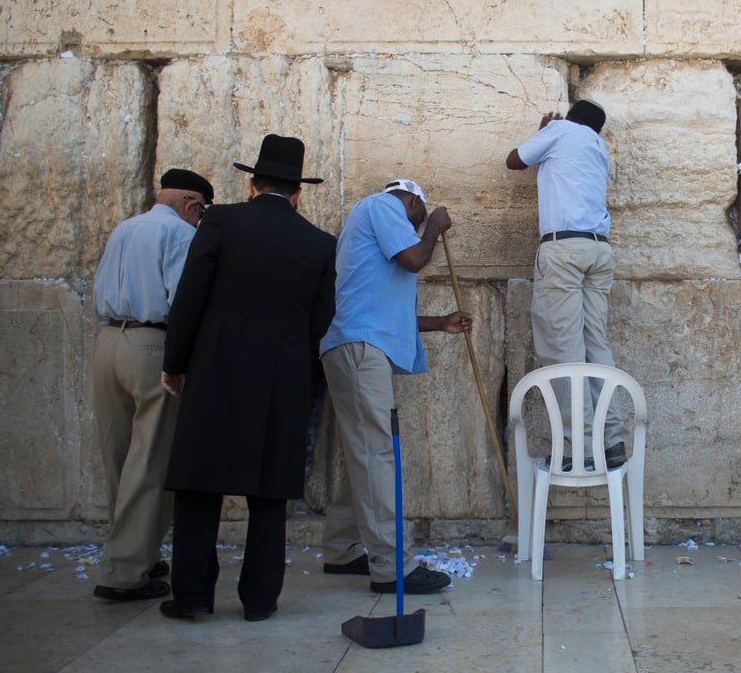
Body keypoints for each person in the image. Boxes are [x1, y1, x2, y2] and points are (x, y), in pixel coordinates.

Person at [158, 134, 337, 622]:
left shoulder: (221, 221)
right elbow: (321, 323)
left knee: (199, 484)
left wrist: (176, 362)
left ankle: (193, 596)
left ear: (253, 183)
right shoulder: (319, 244)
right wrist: (304, 380)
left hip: (217, 368)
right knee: (268, 492)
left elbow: (190, 297)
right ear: (298, 191)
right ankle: (260, 600)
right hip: (282, 377)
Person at [318, 179, 472, 595]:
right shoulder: (384, 206)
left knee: (366, 451)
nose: (420, 222)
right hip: (359, 349)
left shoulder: (373, 222)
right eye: (421, 212)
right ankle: (391, 568)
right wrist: (434, 227)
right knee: (376, 453)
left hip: (358, 345)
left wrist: (440, 323)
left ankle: (341, 549)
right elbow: (414, 259)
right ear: (413, 200)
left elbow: (385, 309)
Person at [90, 168, 214, 602]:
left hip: (108, 342)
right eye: (201, 211)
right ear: (190, 203)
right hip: (150, 345)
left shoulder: (125, 228)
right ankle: (125, 572)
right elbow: (182, 303)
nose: (200, 219)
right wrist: (182, 361)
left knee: (120, 458)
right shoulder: (180, 234)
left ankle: (132, 551)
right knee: (151, 459)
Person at [505, 99, 628, 468]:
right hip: (598, 252)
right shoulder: (597, 147)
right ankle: (613, 440)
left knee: (563, 350)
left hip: (564, 249)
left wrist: (543, 131)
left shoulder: (559, 131)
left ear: (570, 117)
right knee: (596, 346)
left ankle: (579, 451)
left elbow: (513, 160)